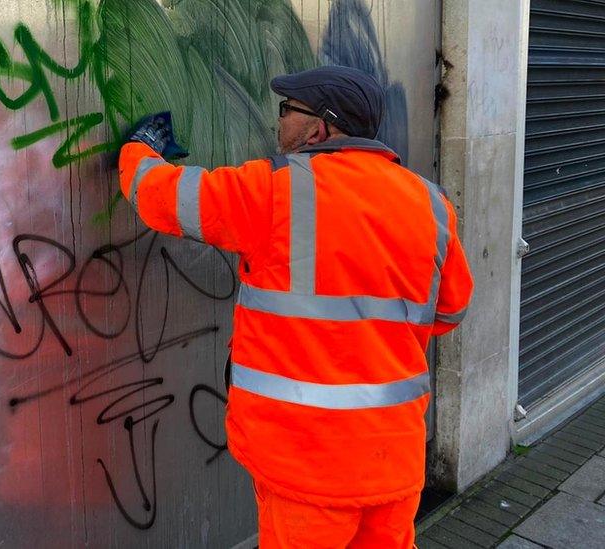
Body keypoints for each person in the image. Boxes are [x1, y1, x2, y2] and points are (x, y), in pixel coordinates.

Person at [117, 65, 474, 548]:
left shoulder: (274, 189)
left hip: (307, 467)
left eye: (287, 111)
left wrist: (139, 148)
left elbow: (163, 196)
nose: (278, 122)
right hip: (393, 458)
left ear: (318, 127)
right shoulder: (430, 203)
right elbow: (450, 311)